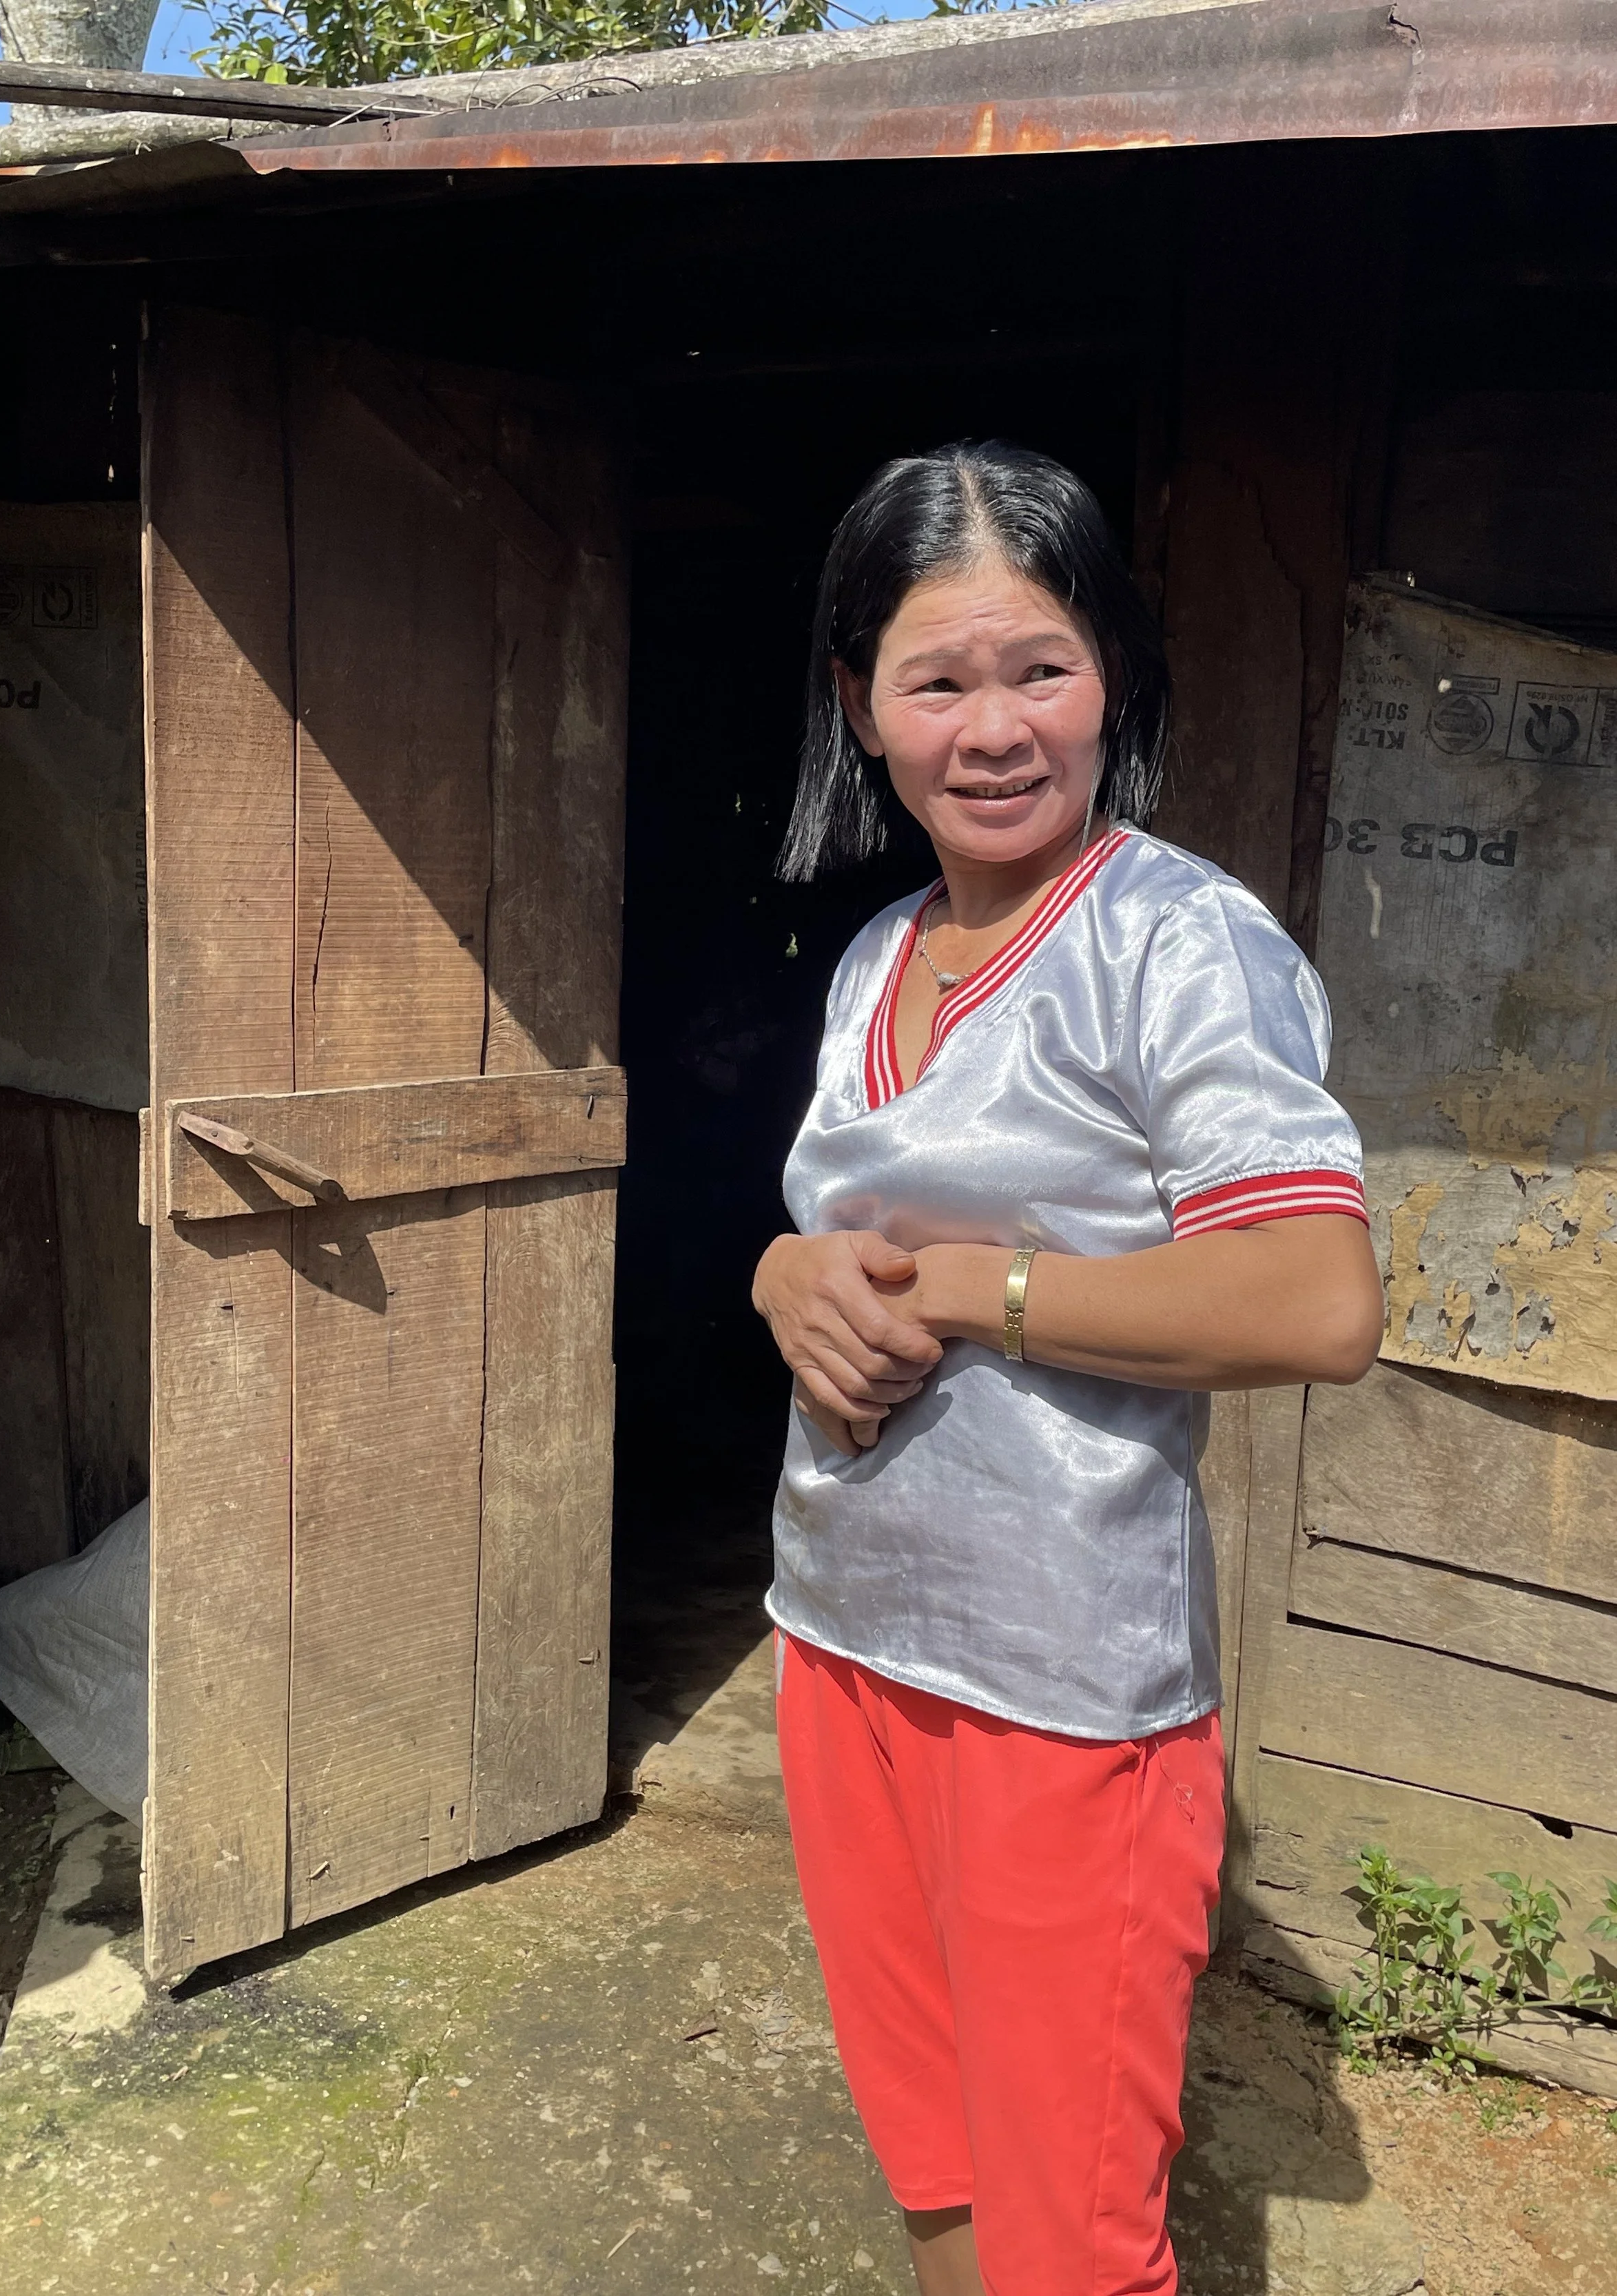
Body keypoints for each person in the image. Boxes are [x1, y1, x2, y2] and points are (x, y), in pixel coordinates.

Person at [751, 443, 1383, 2296]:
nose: (994, 725)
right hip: (843, 1636)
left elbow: (1311, 1298)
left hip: (1062, 1692)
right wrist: (789, 1272)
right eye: (937, 679)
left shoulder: (1173, 942)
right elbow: (832, 1226)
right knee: (934, 2155)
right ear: (859, 702)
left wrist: (970, 1283)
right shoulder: (874, 954)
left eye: (1039, 666)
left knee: (1072, 2236)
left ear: (1110, 668)